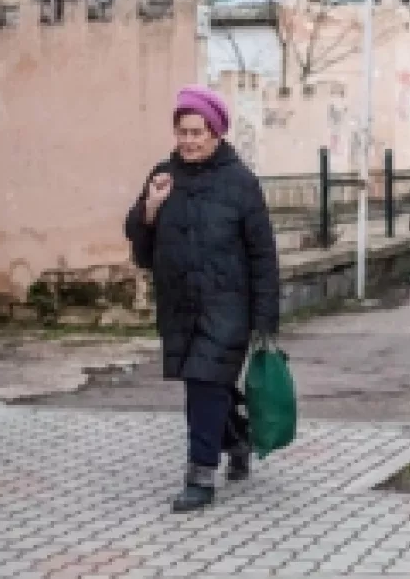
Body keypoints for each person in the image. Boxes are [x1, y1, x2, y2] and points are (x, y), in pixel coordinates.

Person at [125, 85, 280, 513]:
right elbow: (141, 246)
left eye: (198, 132)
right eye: (182, 131)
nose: (189, 140)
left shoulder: (241, 183)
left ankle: (200, 475)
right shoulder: (162, 176)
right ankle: (238, 438)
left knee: (205, 384)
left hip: (228, 304)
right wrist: (151, 208)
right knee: (208, 383)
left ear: (216, 133)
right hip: (179, 303)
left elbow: (262, 252)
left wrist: (266, 317)